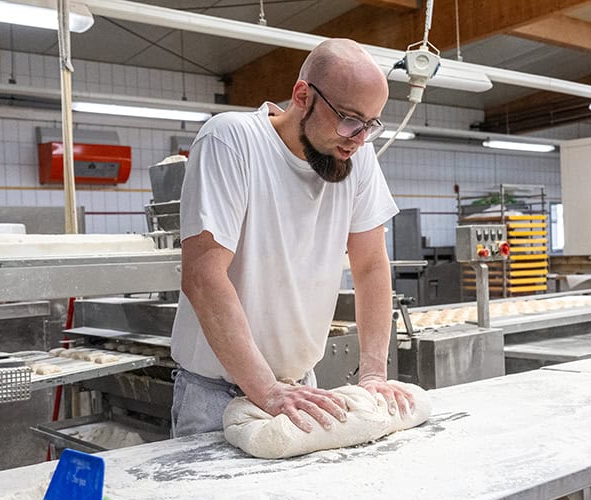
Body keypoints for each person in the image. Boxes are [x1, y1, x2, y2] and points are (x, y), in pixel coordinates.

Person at [170, 38, 414, 437]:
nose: (358, 138)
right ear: (303, 95)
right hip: (215, 394)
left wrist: (374, 374)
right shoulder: (232, 140)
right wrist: (266, 390)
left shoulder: (357, 156)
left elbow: (370, 264)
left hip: (300, 388)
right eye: (350, 119)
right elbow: (203, 275)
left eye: (371, 124)